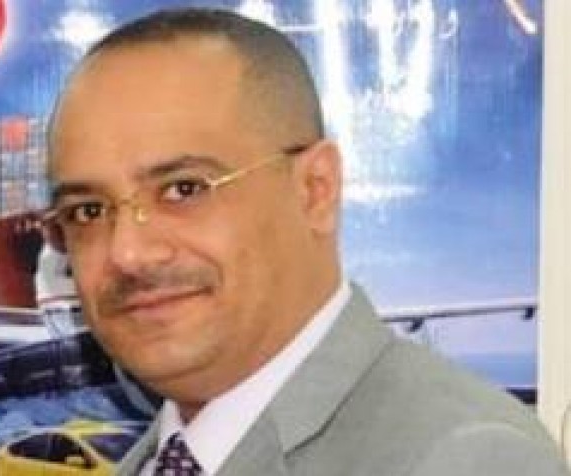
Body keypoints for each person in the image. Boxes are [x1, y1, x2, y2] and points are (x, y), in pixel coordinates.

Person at [44, 7, 569, 476]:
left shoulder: (464, 459)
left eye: (184, 189)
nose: (128, 252)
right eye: (88, 211)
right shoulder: (163, 458)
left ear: (315, 189)